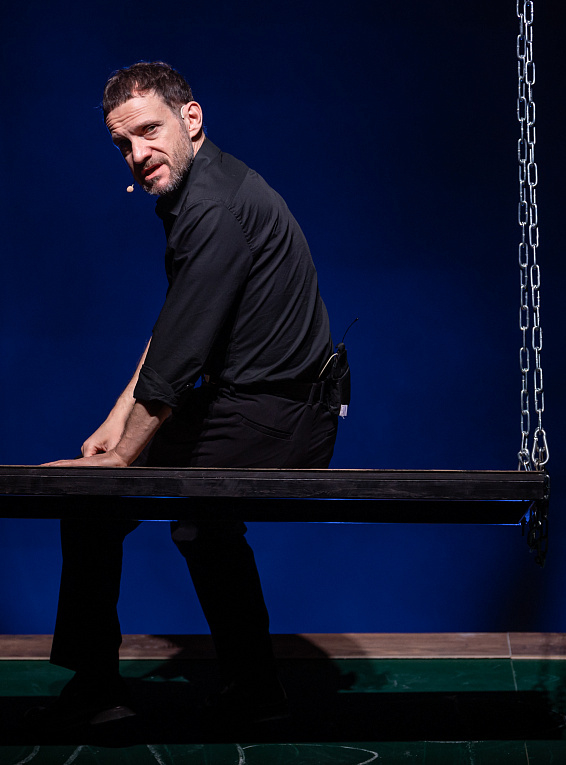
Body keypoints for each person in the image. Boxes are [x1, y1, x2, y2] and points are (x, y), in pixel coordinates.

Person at [36, 61, 348, 729]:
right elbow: (179, 321)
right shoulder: (206, 186)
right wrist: (115, 421)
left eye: (149, 131)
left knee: (102, 500)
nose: (137, 153)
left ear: (191, 118)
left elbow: (179, 356)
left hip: (281, 417)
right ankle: (251, 689)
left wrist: (121, 463)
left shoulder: (213, 206)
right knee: (185, 520)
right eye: (123, 143)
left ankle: (100, 689)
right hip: (258, 407)